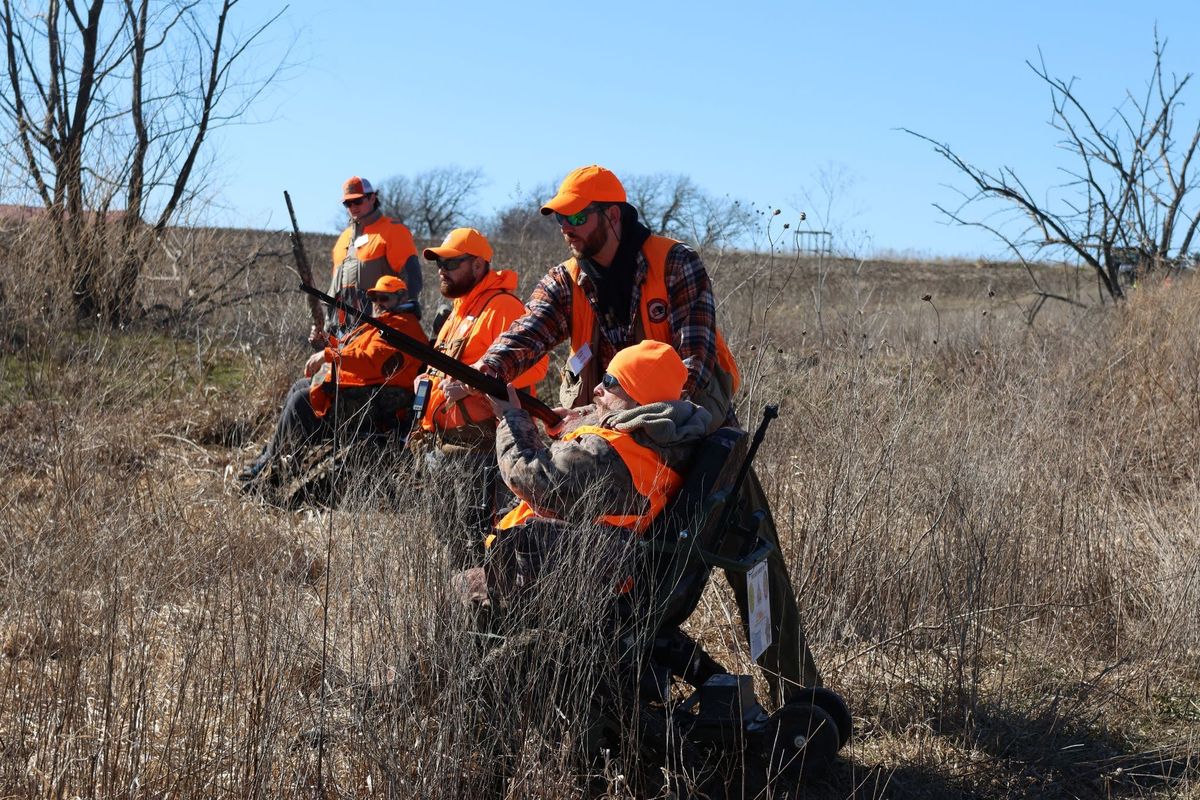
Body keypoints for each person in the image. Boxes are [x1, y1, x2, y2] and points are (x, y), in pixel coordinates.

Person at [474, 165, 819, 701]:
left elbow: (695, 368)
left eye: (577, 216)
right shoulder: (566, 279)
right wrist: (489, 372)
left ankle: (799, 700)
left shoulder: (675, 263)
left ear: (612, 216)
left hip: (695, 451)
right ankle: (618, 682)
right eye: (560, 218)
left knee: (757, 573)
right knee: (614, 575)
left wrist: (604, 418)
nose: (566, 226)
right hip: (607, 452)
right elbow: (529, 330)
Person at [455, 340, 711, 606]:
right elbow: (620, 421)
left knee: (456, 591)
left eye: (611, 381)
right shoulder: (671, 435)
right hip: (609, 568)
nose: (598, 388)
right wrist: (581, 419)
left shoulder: (608, 453)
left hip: (568, 577)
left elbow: (526, 475)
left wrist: (511, 418)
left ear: (638, 396)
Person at [411, 228, 549, 556]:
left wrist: (471, 386)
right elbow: (444, 362)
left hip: (482, 450)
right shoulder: (457, 311)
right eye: (439, 263)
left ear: (477, 265)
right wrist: (426, 382)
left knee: (480, 544)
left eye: (451, 262)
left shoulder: (502, 307)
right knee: (450, 544)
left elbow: (535, 367)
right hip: (444, 447)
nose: (442, 269)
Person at [241, 275, 428, 483]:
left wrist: (327, 355)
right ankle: (275, 457)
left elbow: (369, 361)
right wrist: (328, 342)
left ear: (402, 299)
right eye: (375, 299)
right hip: (362, 393)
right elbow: (354, 351)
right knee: (300, 387)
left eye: (385, 298)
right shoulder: (385, 324)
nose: (378, 304)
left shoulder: (403, 327)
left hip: (375, 407)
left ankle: (272, 467)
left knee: (301, 402)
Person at [316, 176, 422, 349]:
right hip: (343, 336)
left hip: (380, 334)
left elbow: (412, 281)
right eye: (347, 204)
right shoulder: (343, 239)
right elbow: (334, 291)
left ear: (372, 198)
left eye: (357, 201)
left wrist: (396, 323)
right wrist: (328, 328)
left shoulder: (394, 231)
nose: (352, 207)